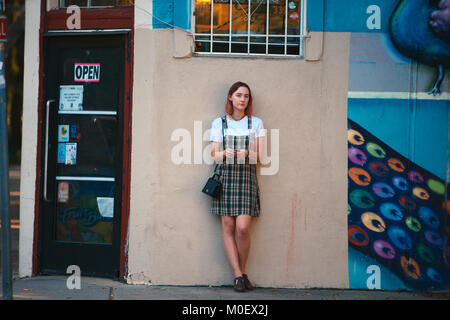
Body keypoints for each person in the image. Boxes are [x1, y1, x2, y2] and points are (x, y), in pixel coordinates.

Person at [209, 81, 265, 292]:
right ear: (230, 97)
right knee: (228, 227)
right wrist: (225, 153)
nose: (243, 99)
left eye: (246, 96)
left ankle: (241, 271)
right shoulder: (219, 123)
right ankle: (238, 276)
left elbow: (261, 156)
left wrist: (248, 154)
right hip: (225, 177)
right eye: (239, 95)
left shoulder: (256, 123)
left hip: (246, 179)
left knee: (242, 228)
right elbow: (214, 154)